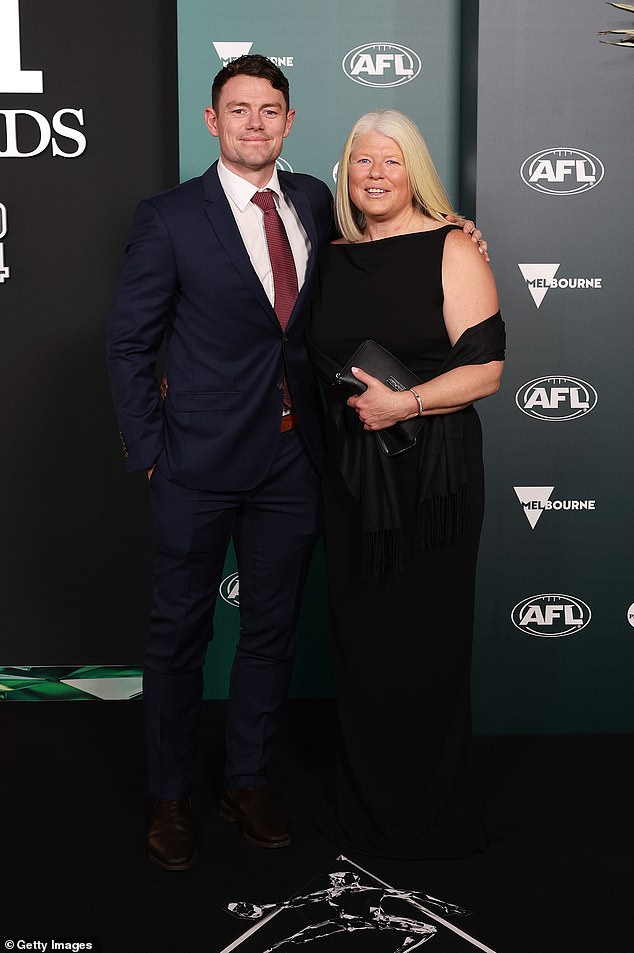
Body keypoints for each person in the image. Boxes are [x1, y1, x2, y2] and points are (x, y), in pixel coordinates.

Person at [107, 55, 486, 870]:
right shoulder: (169, 216)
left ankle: (245, 780)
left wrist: (460, 232)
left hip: (296, 461)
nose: (254, 123)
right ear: (212, 122)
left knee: (272, 632)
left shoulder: (321, 200)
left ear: (287, 121)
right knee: (179, 634)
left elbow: (396, 254)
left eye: (270, 110)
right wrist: (151, 454)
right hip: (195, 463)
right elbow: (129, 343)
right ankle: (171, 796)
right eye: (237, 109)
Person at [308, 109, 505, 859]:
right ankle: (366, 811)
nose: (376, 175)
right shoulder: (330, 255)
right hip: (353, 481)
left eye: (391, 161)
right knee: (363, 644)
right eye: (363, 162)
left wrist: (408, 401)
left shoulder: (453, 246)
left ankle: (431, 814)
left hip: (435, 481)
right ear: (346, 173)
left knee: (426, 643)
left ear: (413, 168)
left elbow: (486, 369)